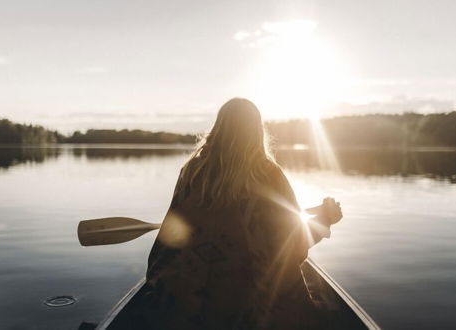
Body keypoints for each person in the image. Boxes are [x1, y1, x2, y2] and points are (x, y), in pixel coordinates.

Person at [143, 98, 342, 330]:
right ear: (257, 132)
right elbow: (291, 249)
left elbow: (166, 246)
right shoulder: (268, 175)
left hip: (188, 307)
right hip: (247, 310)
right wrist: (325, 220)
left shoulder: (192, 172)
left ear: (219, 128)